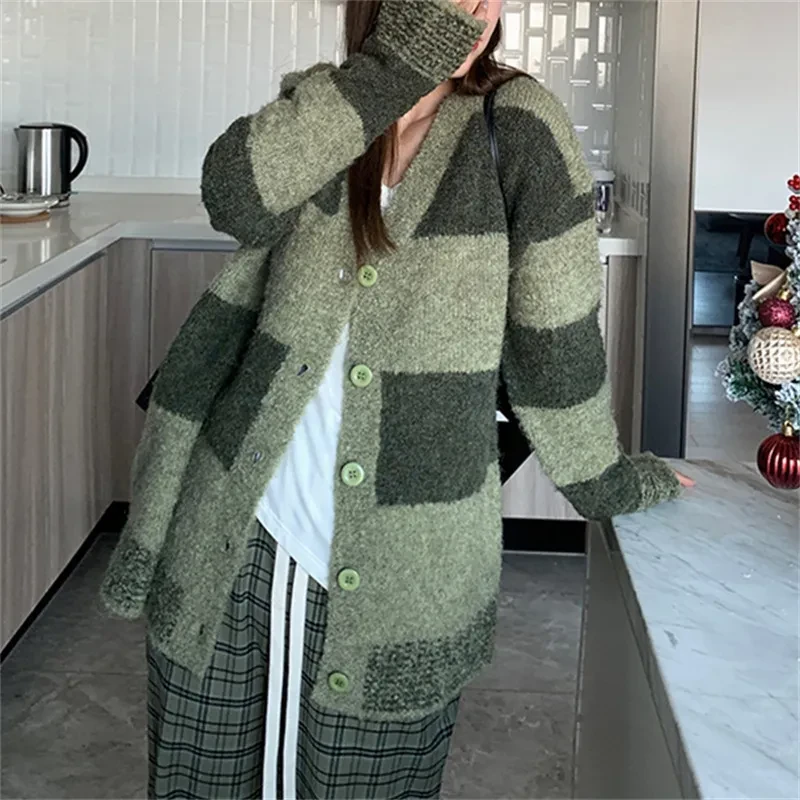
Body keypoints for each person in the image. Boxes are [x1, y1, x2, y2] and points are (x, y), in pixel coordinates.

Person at [100, 0, 691, 797]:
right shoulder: (329, 101)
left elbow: (557, 345)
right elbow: (233, 195)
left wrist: (608, 480)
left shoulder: (519, 125)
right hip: (234, 534)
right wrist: (395, 70)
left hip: (406, 574)